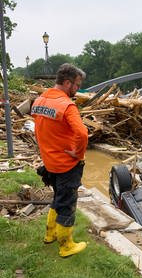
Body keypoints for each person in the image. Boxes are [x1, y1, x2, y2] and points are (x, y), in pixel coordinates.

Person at [31, 63, 88, 257]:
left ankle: (50, 234)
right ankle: (66, 246)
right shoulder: (67, 105)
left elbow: (38, 131)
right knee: (67, 204)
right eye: (77, 85)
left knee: (57, 198)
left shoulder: (39, 101)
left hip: (50, 162)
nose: (77, 90)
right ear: (67, 82)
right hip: (66, 164)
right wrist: (78, 153)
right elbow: (82, 133)